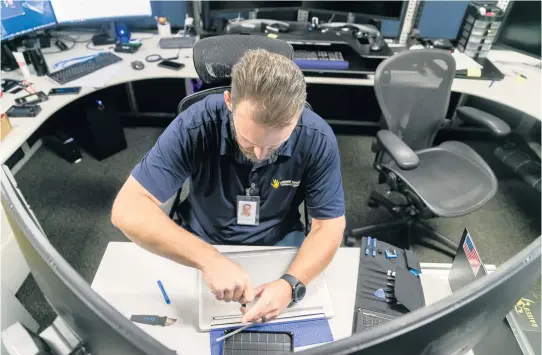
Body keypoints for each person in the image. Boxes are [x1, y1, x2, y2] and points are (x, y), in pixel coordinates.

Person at [111, 49, 346, 324]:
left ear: (297, 116)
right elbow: (126, 209)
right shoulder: (196, 125)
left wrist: (290, 285)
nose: (260, 155)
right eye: (249, 141)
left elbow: (328, 226)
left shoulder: (317, 137)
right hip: (202, 239)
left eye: (275, 144)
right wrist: (207, 259)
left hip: (278, 245)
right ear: (229, 101)